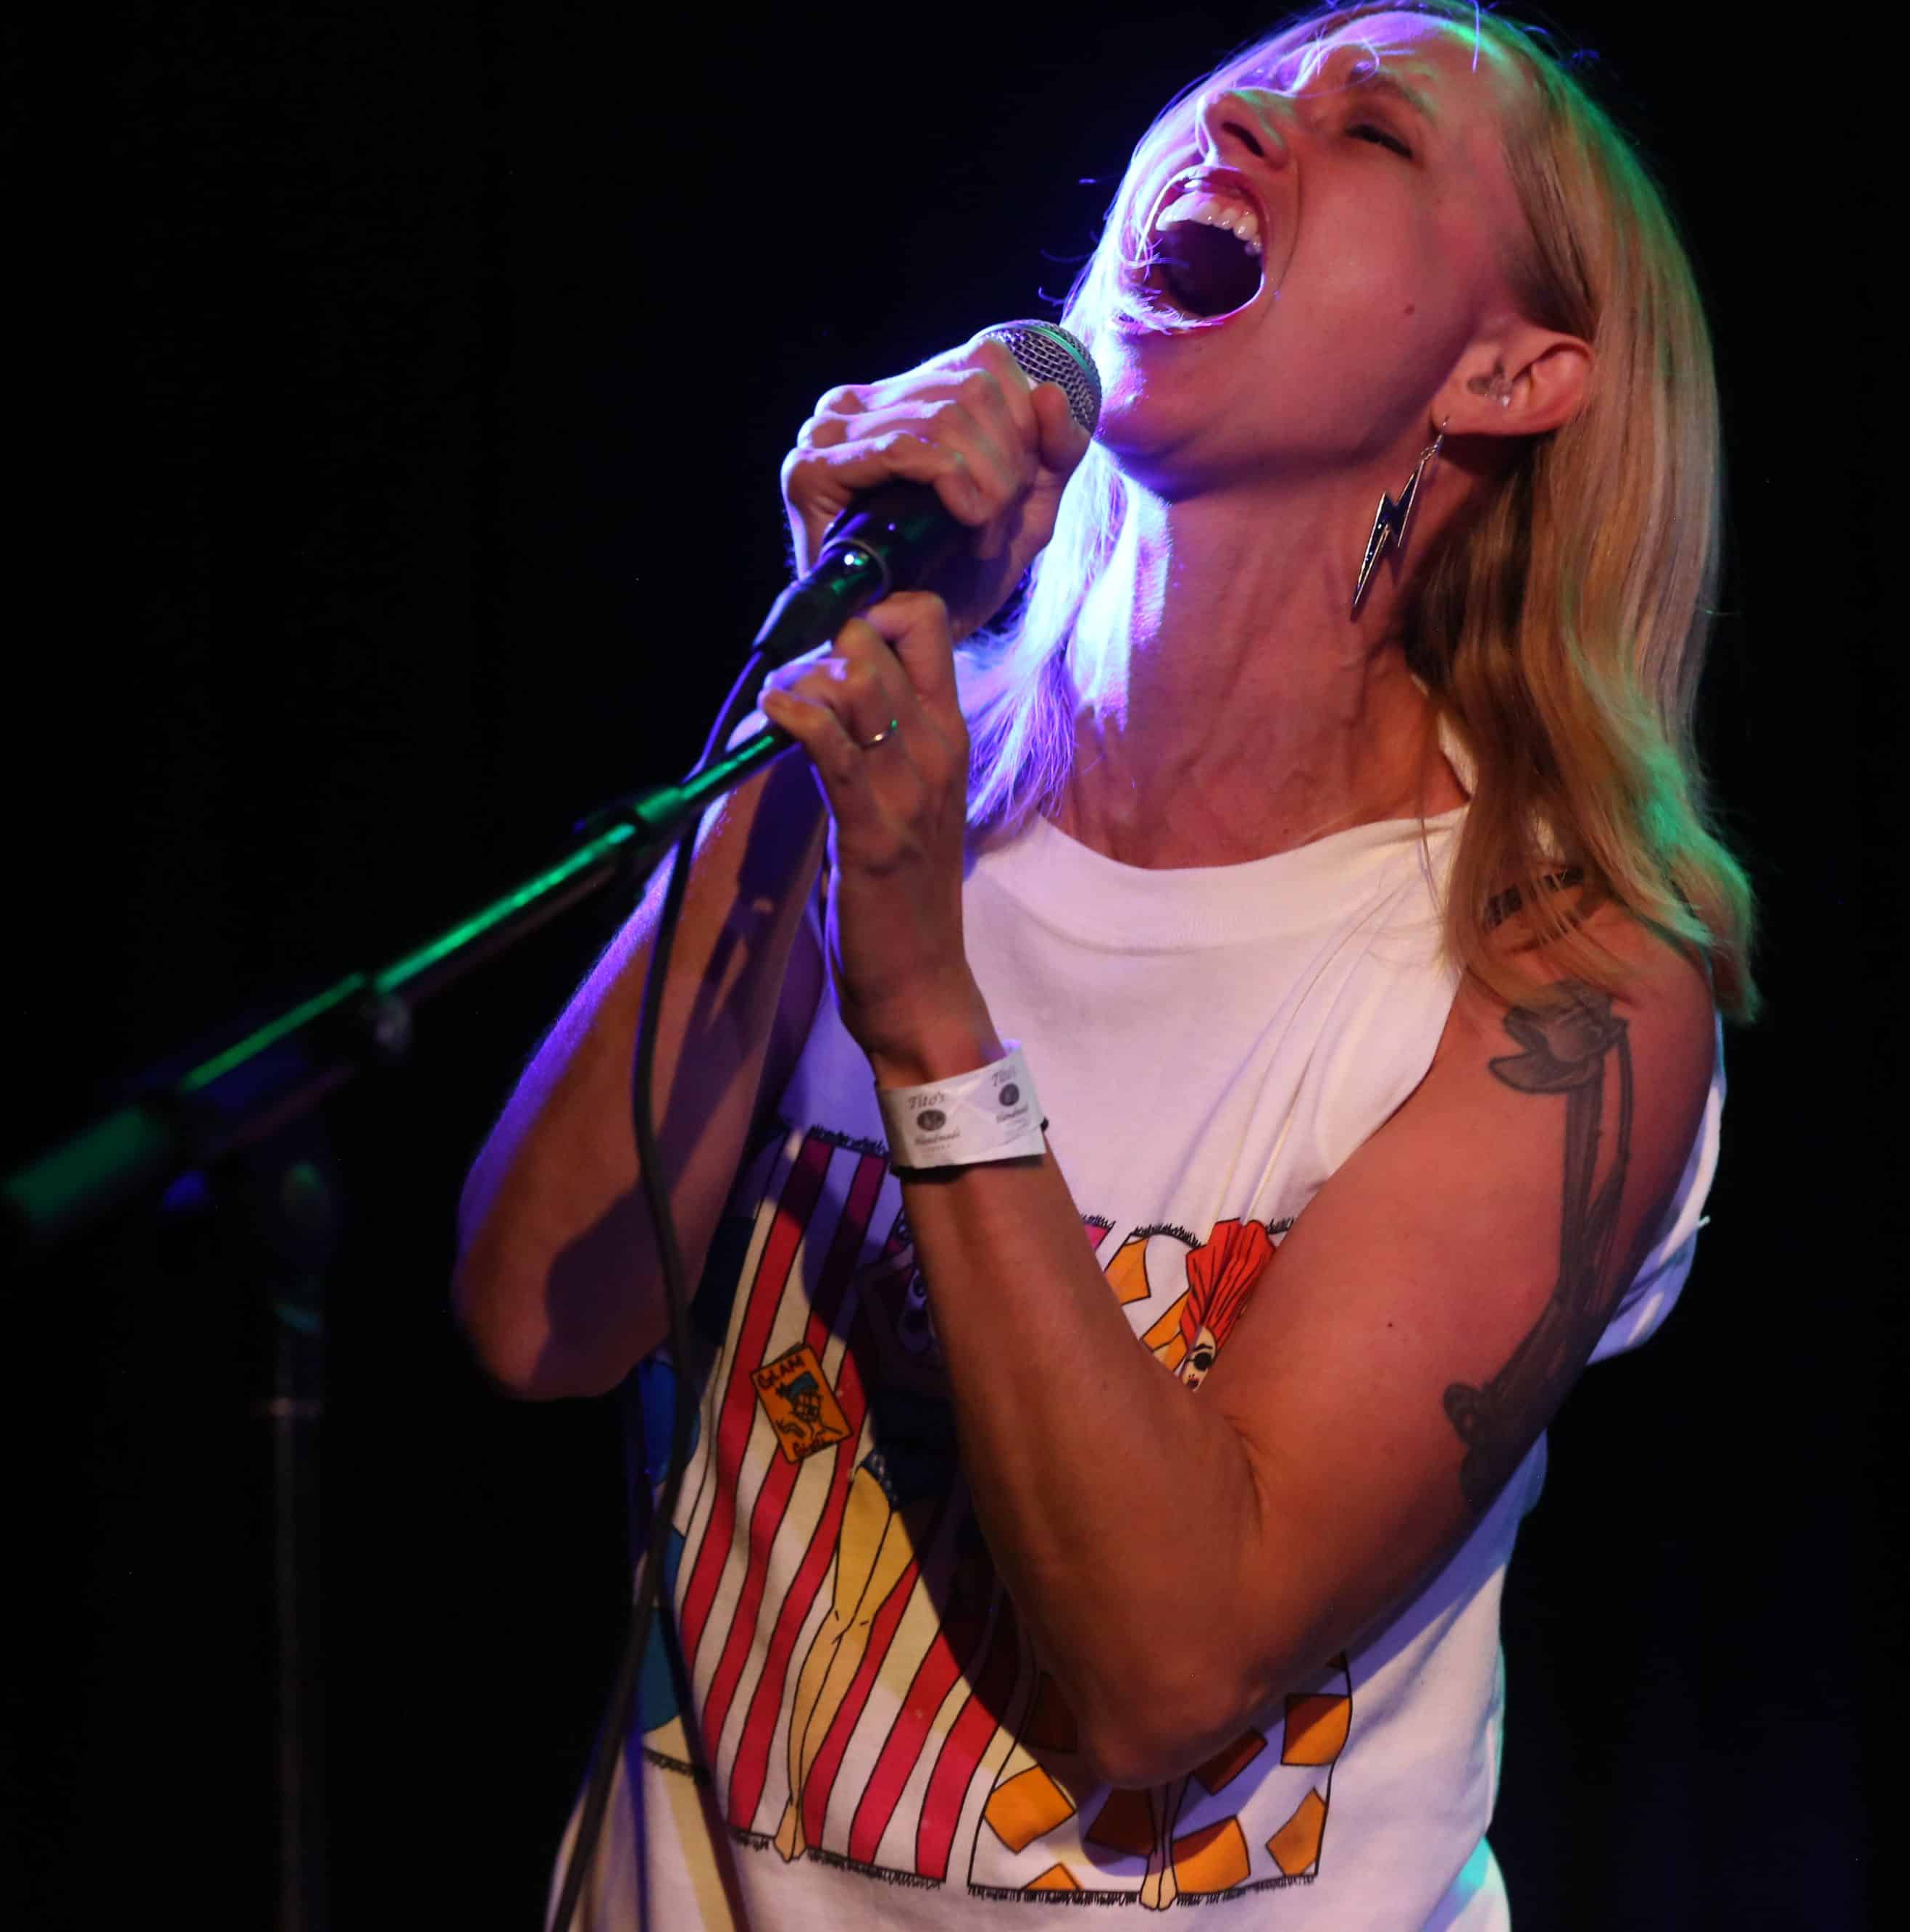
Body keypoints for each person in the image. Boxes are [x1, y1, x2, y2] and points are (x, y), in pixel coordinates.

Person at [454, 3, 1756, 1923]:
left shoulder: (1561, 974)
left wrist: (922, 1011)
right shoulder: (901, 784)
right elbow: (537, 1313)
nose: (1241, 116)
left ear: (1513, 370)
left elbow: (1170, 1661)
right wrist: (820, 663)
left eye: (1372, 132)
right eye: (1245, 84)